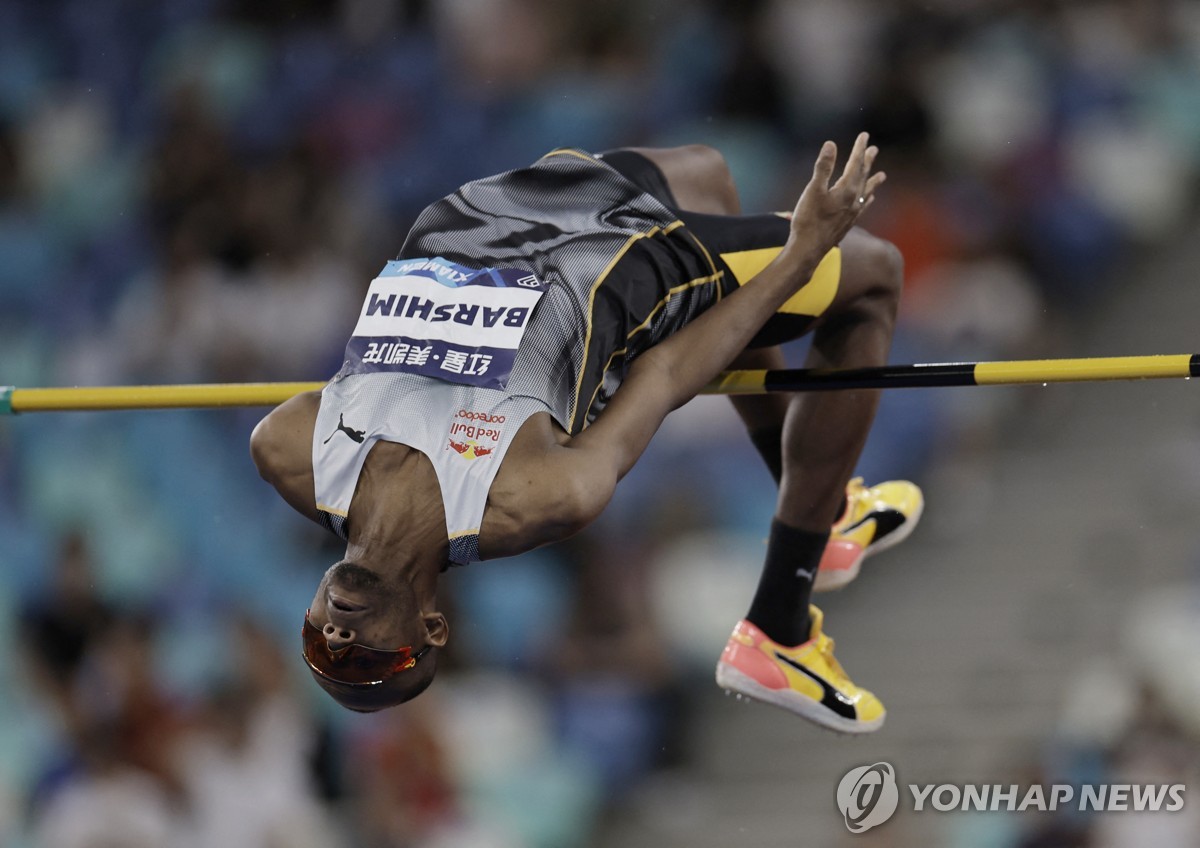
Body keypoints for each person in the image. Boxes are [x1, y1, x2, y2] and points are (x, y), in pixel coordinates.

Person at [250, 132, 923, 733]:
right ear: (431, 625)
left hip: (498, 215)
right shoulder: (532, 496)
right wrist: (799, 257)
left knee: (708, 172)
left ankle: (820, 510)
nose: (339, 636)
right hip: (622, 267)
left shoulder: (289, 454)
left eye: (320, 647)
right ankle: (780, 627)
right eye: (369, 657)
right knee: (875, 275)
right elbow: (663, 376)